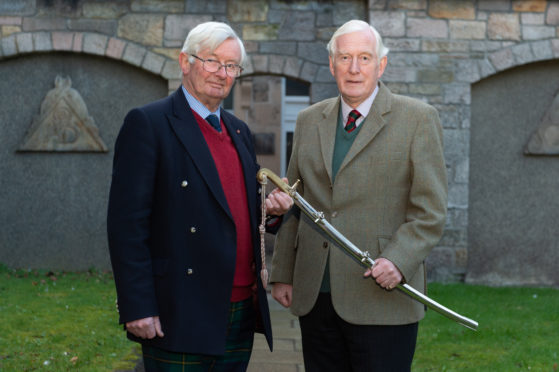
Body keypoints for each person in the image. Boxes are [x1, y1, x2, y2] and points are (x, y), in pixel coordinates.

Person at [107, 21, 292, 371]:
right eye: (211, 61)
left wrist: (273, 211)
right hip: (179, 308)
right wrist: (137, 306)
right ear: (184, 61)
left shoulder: (239, 130)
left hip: (240, 306)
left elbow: (236, 211)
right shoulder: (149, 124)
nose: (221, 73)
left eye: (231, 66)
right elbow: (126, 225)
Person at [270, 19, 448, 372]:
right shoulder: (308, 120)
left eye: (364, 58)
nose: (354, 68)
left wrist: (398, 260)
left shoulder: (418, 120)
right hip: (314, 294)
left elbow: (430, 211)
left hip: (381, 293)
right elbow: (296, 197)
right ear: (332, 64)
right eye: (345, 57)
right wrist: (282, 272)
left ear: (381, 65)